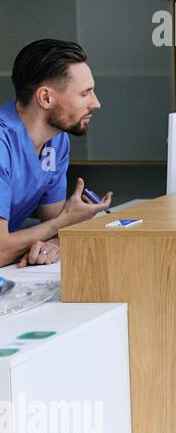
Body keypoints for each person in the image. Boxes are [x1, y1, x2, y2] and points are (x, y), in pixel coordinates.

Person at [1, 39, 114, 268]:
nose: (96, 103)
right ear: (46, 98)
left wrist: (56, 240)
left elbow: (53, 224)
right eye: (85, 94)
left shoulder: (56, 140)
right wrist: (64, 222)